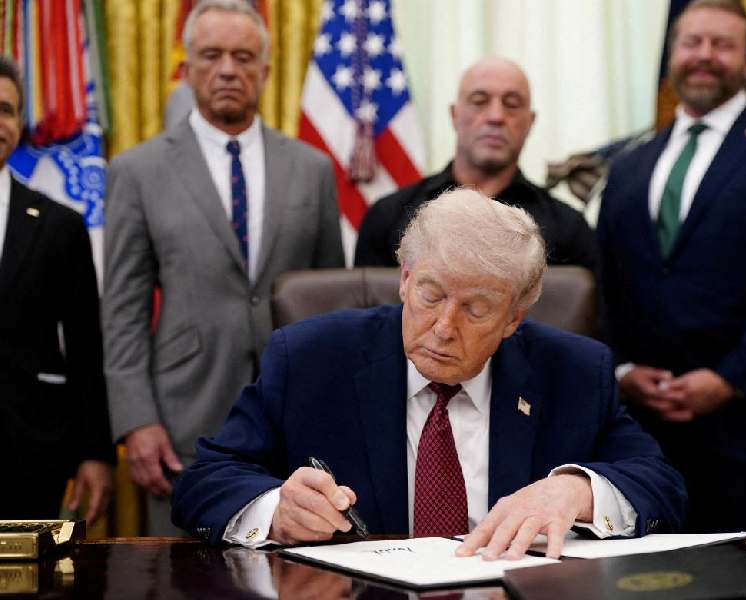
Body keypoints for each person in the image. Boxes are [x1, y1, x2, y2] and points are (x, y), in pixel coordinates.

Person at [172, 189, 686, 559]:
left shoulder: (574, 372)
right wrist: (275, 510)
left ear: (514, 318)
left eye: (476, 309)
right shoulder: (311, 358)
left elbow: (662, 485)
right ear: (404, 279)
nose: (443, 328)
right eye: (431, 295)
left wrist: (577, 492)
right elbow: (205, 481)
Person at [103, 0, 344, 534]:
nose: (228, 70)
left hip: (298, 420)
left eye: (243, 56)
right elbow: (122, 312)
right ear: (186, 68)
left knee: (302, 568)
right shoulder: (138, 170)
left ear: (266, 70)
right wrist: (137, 421)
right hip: (185, 421)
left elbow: (331, 303)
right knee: (183, 571)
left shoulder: (312, 168)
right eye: (211, 56)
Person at [596, 0, 746, 532]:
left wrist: (729, 378)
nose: (704, 55)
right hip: (640, 438)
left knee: (743, 572)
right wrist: (624, 370)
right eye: (691, 43)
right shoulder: (630, 164)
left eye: (722, 45)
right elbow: (609, 280)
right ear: (672, 55)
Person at [353, 57, 598, 275]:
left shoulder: (569, 229)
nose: (496, 116)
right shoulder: (389, 217)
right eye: (479, 101)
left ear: (530, 122)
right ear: (454, 115)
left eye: (512, 104)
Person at [0, 56, 114, 523]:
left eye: (6, 110)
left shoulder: (59, 225)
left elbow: (87, 346)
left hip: (30, 452)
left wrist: (96, 452)